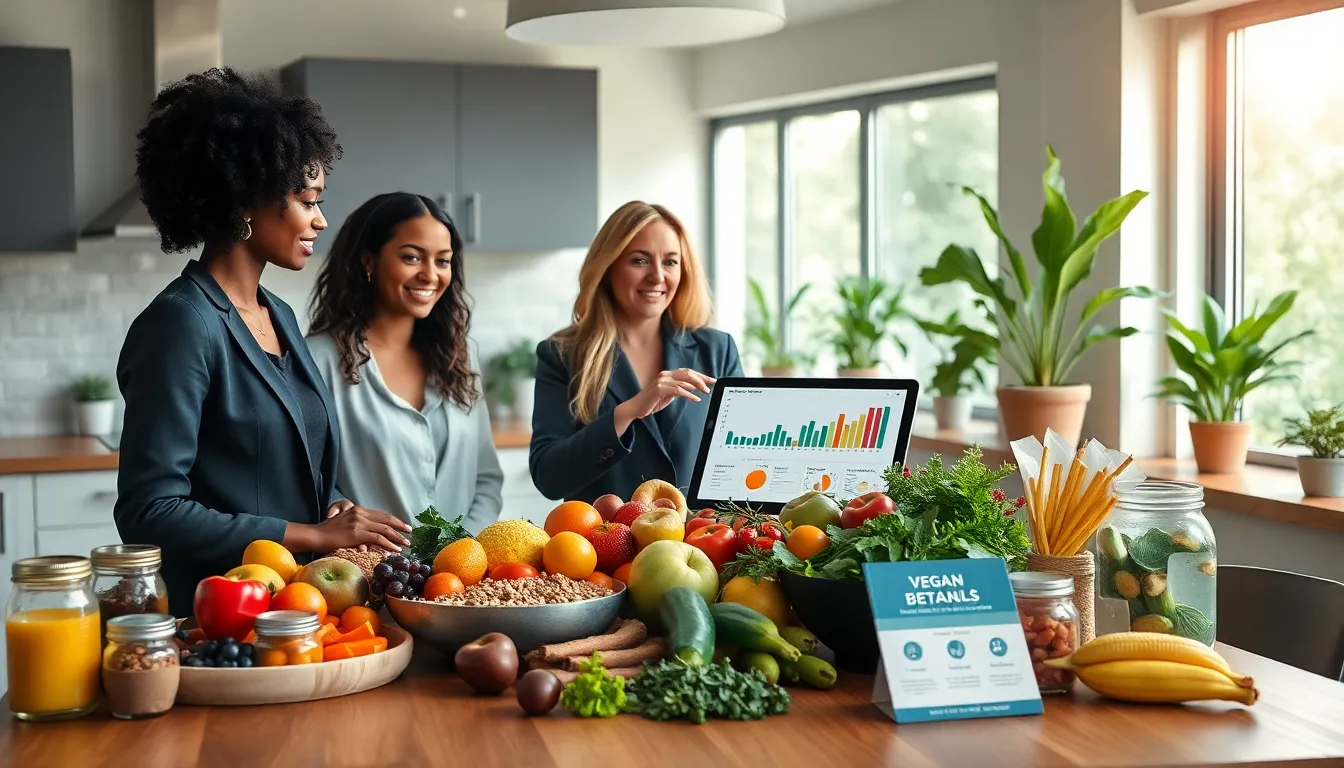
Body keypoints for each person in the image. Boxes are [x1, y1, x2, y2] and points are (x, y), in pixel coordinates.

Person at [114, 68, 412, 615]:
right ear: (246, 199)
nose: (321, 220)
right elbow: (149, 510)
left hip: (291, 607)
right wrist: (312, 534)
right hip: (216, 615)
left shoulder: (278, 314)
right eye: (307, 199)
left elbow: (275, 469)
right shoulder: (180, 326)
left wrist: (332, 510)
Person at [306, 193, 504, 532]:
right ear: (369, 261)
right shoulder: (318, 359)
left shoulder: (460, 355)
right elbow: (307, 478)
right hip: (367, 578)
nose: (430, 275)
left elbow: (485, 479)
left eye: (443, 261)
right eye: (412, 257)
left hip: (459, 576)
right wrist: (334, 504)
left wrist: (458, 551)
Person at [529, 201, 743, 504]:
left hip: (699, 545)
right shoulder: (562, 355)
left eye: (670, 262)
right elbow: (549, 478)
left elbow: (744, 461)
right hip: (602, 547)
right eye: (640, 260)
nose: (657, 277)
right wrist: (627, 412)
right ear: (608, 268)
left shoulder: (717, 350)